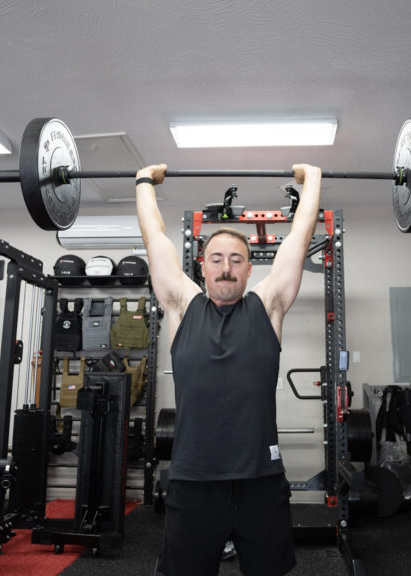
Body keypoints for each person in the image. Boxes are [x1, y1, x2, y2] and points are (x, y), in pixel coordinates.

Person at [135, 162, 322, 576]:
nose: (225, 268)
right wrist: (144, 181)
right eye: (216, 259)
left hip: (260, 479)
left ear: (249, 269)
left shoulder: (267, 305)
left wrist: (313, 180)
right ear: (201, 267)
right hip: (193, 480)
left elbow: (300, 237)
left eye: (236, 260)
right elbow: (155, 239)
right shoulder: (183, 306)